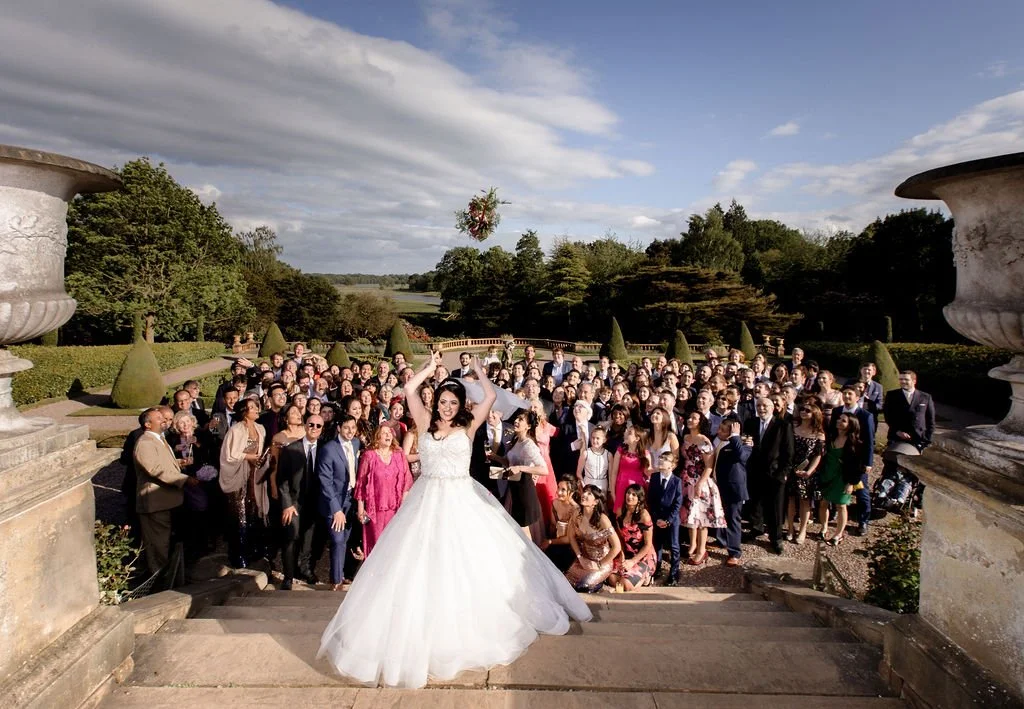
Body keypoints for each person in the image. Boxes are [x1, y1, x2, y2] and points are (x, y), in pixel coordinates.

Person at [318, 352, 590, 688]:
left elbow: (489, 397)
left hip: (462, 500)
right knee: (418, 565)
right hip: (426, 502)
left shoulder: (469, 425)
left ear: (460, 404)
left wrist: (478, 372)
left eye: (452, 402)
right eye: (443, 401)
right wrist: (429, 369)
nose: (446, 407)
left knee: (465, 562)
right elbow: (409, 388)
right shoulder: (423, 421)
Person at [134, 407, 197, 574]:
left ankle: (170, 576)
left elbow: (161, 462)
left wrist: (178, 463)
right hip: (155, 503)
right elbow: (155, 469)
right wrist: (184, 479)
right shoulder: (145, 443)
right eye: (158, 418)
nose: (163, 420)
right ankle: (160, 581)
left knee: (166, 541)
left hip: (166, 500)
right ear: (148, 424)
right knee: (158, 545)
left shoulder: (159, 439)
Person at [219, 398, 271, 568]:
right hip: (239, 474)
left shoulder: (261, 429)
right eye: (252, 408)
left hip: (253, 475)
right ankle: (238, 555)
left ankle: (254, 551)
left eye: (257, 407)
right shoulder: (236, 430)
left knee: (253, 513)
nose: (256, 410)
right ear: (244, 411)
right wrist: (248, 457)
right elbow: (230, 454)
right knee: (239, 515)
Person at [277, 413, 327, 589]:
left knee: (309, 540)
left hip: (316, 503)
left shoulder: (325, 449)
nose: (314, 428)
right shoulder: (291, 449)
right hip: (294, 503)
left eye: (318, 426)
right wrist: (287, 505)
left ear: (322, 429)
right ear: (305, 426)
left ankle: (306, 570)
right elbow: (281, 480)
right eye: (311, 425)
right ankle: (288, 576)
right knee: (291, 538)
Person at [742, 396, 795, 555]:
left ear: (773, 408)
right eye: (758, 405)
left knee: (775, 508)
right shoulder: (751, 422)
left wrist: (783, 473)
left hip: (775, 473)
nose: (761, 408)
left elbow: (789, 452)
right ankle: (756, 528)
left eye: (765, 405)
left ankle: (776, 537)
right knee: (755, 503)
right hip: (755, 471)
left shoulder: (783, 425)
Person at [318, 414, 362, 591]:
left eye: (353, 427)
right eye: (346, 428)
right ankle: (336, 580)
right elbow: (324, 481)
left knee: (345, 539)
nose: (350, 431)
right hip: (333, 501)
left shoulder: (357, 443)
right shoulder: (329, 449)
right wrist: (336, 509)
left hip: (351, 500)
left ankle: (341, 575)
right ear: (338, 428)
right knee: (337, 539)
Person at [355, 425, 413, 557]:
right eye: (384, 433)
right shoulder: (369, 456)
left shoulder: (399, 455)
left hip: (395, 509)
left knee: (394, 544)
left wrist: (404, 504)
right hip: (375, 510)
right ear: (377, 437)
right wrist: (360, 507)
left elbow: (407, 479)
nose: (388, 435)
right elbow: (361, 483)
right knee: (377, 545)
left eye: (389, 433)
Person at [679, 412, 726, 565]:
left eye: (694, 418)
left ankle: (701, 550)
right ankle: (692, 545)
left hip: (700, 480)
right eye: (689, 417)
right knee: (689, 515)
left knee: (701, 517)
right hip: (686, 479)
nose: (690, 420)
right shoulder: (685, 437)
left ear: (700, 422)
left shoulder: (705, 441)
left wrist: (700, 483)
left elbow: (709, 466)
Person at [819, 413, 867, 546]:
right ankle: (824, 528)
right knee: (823, 502)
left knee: (841, 505)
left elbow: (858, 467)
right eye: (839, 419)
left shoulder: (855, 443)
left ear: (850, 425)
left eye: (843, 420)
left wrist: (851, 483)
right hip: (827, 475)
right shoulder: (830, 437)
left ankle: (838, 534)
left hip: (842, 478)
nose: (839, 421)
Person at [564, 485, 621, 592]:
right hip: (584, 559)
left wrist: (600, 564)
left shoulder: (602, 519)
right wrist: (580, 557)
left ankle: (600, 584)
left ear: (595, 502)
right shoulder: (577, 514)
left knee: (583, 586)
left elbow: (617, 547)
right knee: (566, 583)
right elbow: (571, 537)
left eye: (589, 494)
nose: (584, 495)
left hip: (602, 563)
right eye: (584, 492)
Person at [784, 401, 825, 545]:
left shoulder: (818, 435)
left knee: (805, 501)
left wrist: (809, 471)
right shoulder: (793, 428)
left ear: (815, 414)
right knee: (790, 500)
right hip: (791, 468)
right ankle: (789, 529)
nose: (803, 412)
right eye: (802, 409)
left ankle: (802, 531)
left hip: (807, 472)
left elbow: (817, 455)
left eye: (807, 410)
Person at [712, 417, 751, 566]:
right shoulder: (717, 440)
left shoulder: (743, 444)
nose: (718, 431)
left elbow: (742, 457)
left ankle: (735, 551)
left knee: (733, 519)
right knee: (720, 515)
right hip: (718, 485)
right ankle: (721, 541)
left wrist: (735, 437)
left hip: (734, 488)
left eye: (723, 430)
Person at [609, 484, 656, 591]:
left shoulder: (644, 515)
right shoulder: (620, 512)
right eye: (628, 493)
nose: (630, 496)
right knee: (611, 578)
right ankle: (631, 578)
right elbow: (620, 537)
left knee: (625, 584)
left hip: (643, 555)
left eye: (634, 495)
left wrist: (632, 561)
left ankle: (646, 578)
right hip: (627, 552)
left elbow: (647, 544)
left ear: (639, 499)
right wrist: (621, 555)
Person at [648, 449, 683, 585]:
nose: (661, 460)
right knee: (658, 545)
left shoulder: (676, 481)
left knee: (674, 546)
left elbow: (677, 503)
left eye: (665, 459)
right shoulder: (655, 477)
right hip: (658, 518)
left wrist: (668, 520)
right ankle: (657, 569)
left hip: (671, 520)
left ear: (672, 465)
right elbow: (651, 500)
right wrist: (656, 518)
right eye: (660, 458)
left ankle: (674, 573)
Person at [540, 475, 579, 572]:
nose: (559, 492)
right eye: (558, 488)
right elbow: (553, 526)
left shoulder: (576, 509)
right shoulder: (554, 503)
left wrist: (550, 542)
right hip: (557, 541)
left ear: (571, 493)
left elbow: (570, 539)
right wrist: (548, 541)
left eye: (563, 490)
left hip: (572, 546)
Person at [608, 426, 650, 515]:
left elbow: (648, 473)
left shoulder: (645, 454)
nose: (626, 433)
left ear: (637, 438)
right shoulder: (620, 451)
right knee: (620, 517)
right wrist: (612, 492)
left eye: (630, 433)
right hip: (621, 488)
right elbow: (614, 472)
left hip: (637, 490)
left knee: (635, 517)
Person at [576, 427, 611, 496]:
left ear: (604, 440)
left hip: (602, 485)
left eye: (597, 438)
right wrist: (583, 485)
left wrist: (609, 489)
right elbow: (578, 472)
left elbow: (610, 475)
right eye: (593, 438)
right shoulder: (586, 453)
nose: (594, 440)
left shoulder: (609, 455)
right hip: (588, 484)